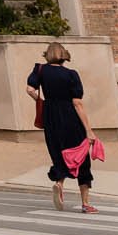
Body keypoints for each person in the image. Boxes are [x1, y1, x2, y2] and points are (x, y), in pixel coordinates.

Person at [26, 41, 97, 213]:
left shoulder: (40, 70)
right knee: (80, 157)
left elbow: (29, 89)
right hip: (69, 117)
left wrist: (40, 101)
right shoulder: (71, 75)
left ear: (48, 55)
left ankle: (59, 183)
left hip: (50, 116)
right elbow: (77, 103)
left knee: (58, 153)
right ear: (64, 55)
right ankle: (85, 203)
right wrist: (89, 130)